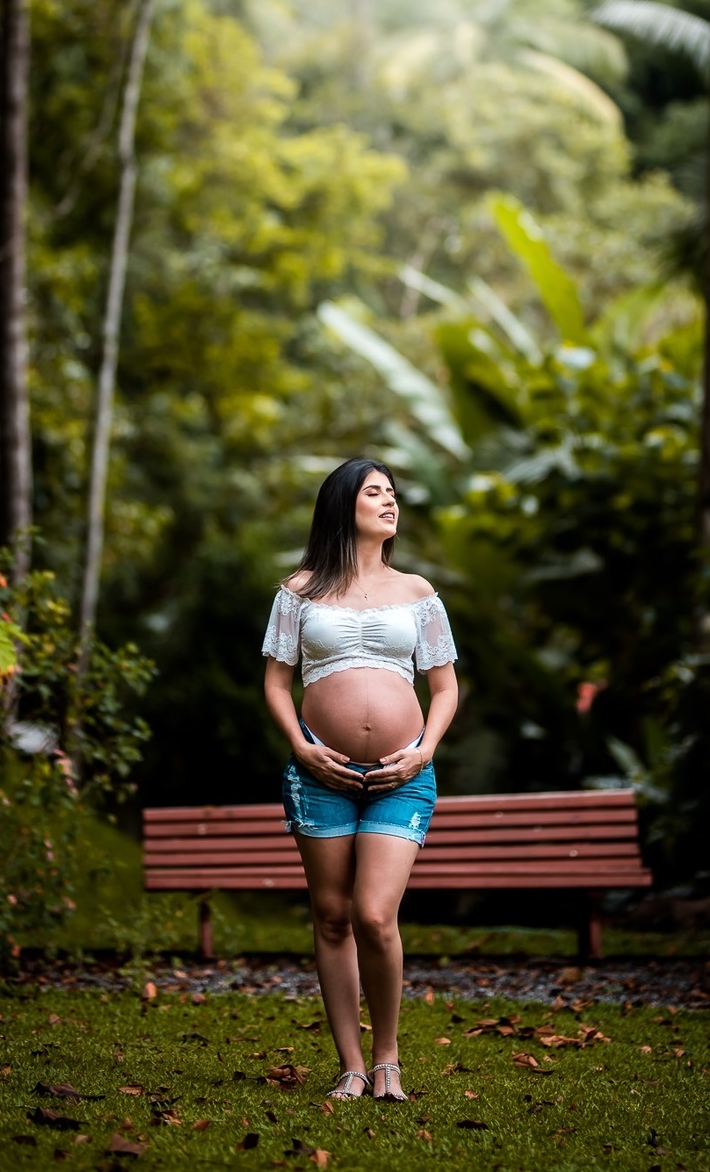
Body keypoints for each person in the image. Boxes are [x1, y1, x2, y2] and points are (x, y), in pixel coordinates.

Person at [263, 457, 459, 1103]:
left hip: (403, 773)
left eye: (393, 493)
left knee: (376, 915)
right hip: (319, 771)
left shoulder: (418, 592)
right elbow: (275, 682)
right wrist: (300, 744)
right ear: (342, 504)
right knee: (331, 916)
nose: (390, 501)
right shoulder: (298, 591)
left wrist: (425, 749)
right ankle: (350, 1065)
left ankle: (388, 1059)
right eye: (375, 492)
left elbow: (446, 686)